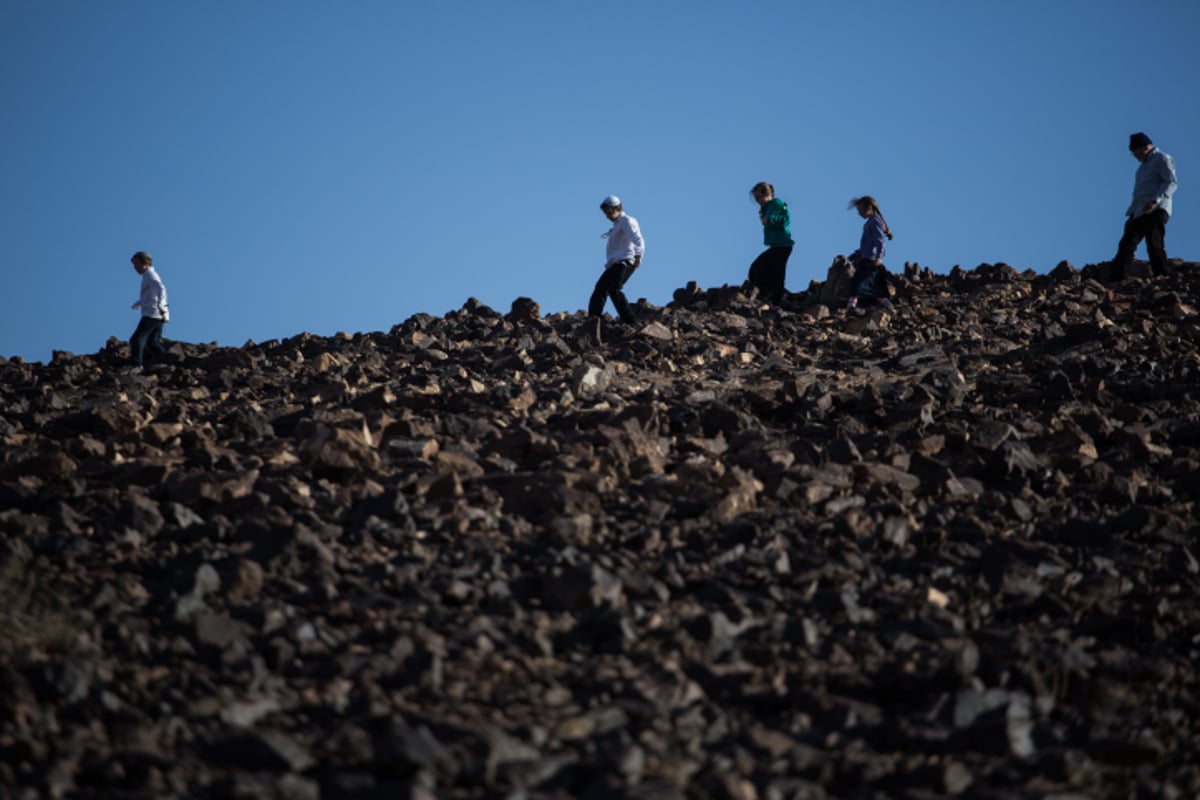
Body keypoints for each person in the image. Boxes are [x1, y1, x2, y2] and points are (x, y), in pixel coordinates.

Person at [1111, 132, 1177, 281]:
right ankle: (1117, 279)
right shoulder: (1141, 168)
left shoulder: (1162, 159)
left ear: (1146, 147)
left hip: (1156, 209)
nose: (1136, 156)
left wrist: (1156, 201)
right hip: (1139, 211)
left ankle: (1163, 277)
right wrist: (1132, 210)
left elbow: (1171, 182)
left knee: (1154, 244)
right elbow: (1139, 192)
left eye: (1137, 152)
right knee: (1126, 245)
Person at [588, 195, 644, 344]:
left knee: (614, 289)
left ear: (618, 208)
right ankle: (593, 321)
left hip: (625, 261)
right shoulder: (617, 225)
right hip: (614, 264)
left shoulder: (627, 221)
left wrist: (638, 256)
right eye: (606, 212)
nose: (607, 215)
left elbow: (638, 239)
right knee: (600, 288)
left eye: (610, 212)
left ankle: (631, 321)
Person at [748, 182, 793, 306]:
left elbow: (786, 219)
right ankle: (774, 294)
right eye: (755, 198)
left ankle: (776, 303)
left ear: (767, 194)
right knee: (755, 271)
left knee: (777, 273)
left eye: (759, 197)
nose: (757, 201)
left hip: (783, 246)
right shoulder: (766, 208)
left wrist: (771, 220)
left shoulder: (778, 204)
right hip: (775, 246)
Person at [845, 196, 894, 310]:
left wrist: (879, 257)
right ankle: (886, 303)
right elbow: (868, 245)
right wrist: (856, 254)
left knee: (857, 282)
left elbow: (879, 241)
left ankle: (851, 306)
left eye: (861, 210)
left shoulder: (875, 222)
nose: (859, 213)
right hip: (867, 258)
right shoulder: (871, 222)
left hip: (870, 260)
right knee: (874, 285)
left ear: (869, 208)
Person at [129, 251, 169, 367]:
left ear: (146, 263)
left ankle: (136, 365)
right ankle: (167, 362)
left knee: (136, 339)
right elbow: (151, 294)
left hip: (152, 313)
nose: (135, 267)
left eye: (136, 264)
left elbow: (161, 289)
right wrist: (139, 302)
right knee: (152, 342)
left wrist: (161, 305)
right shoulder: (148, 275)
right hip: (158, 314)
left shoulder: (150, 275)